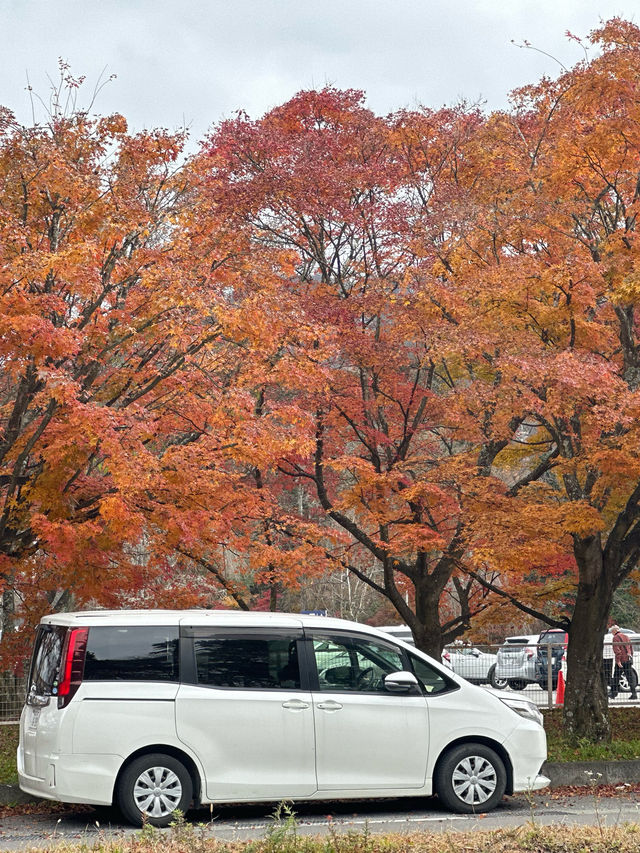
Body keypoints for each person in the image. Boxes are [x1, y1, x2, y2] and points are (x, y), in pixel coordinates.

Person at [610, 625, 638, 700]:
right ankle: (634, 694)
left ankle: (613, 693)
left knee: (616, 677)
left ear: (614, 631)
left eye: (612, 631)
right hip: (628, 660)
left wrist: (618, 661)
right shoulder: (626, 636)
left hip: (621, 660)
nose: (612, 633)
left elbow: (617, 651)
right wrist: (630, 656)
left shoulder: (615, 638)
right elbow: (631, 648)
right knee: (630, 677)